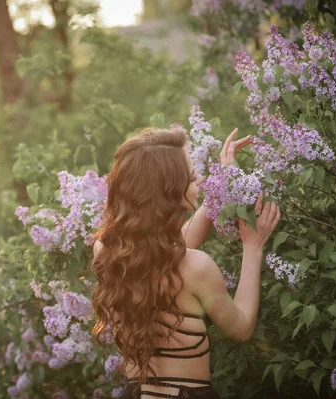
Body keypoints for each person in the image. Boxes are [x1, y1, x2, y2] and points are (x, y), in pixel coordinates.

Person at [91, 126, 280, 399]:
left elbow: (165, 249)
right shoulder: (197, 267)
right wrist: (253, 246)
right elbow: (240, 328)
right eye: (193, 179)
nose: (201, 181)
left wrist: (222, 180)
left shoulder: (107, 253)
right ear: (169, 195)